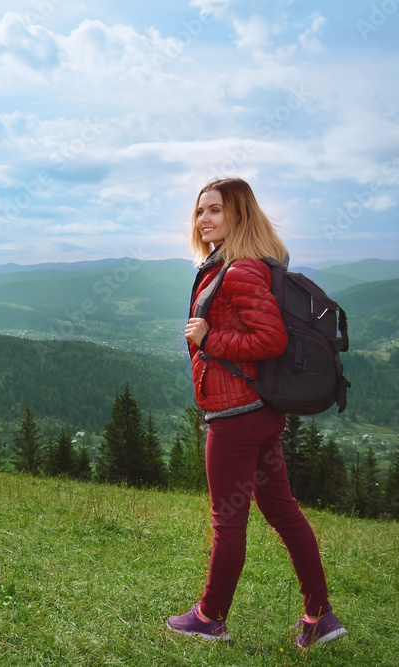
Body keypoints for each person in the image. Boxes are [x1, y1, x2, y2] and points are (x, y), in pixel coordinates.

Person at [166, 178, 347, 648]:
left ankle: (210, 618)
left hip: (236, 416)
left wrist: (209, 338)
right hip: (258, 412)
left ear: (239, 214)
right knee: (283, 512)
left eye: (215, 210)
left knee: (228, 521)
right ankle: (320, 617)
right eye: (200, 211)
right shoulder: (237, 263)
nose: (203, 219)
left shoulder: (240, 269)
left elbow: (271, 340)